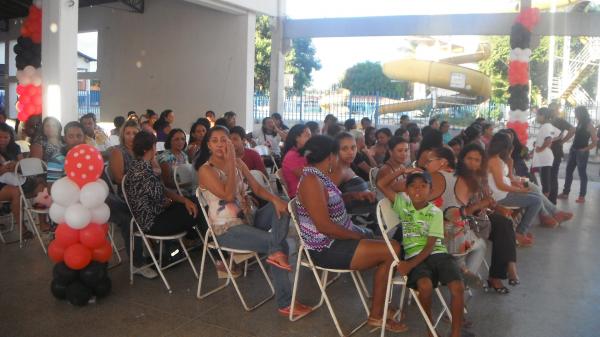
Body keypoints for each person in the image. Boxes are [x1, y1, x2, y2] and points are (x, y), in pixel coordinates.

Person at [197, 126, 311, 317]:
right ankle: (285, 303)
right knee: (279, 246)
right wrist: (231, 161)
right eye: (215, 140)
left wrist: (275, 200)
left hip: (249, 219)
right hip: (226, 230)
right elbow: (228, 194)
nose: (220, 144)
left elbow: (257, 189)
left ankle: (275, 252)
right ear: (208, 145)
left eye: (224, 139)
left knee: (282, 205)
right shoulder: (206, 170)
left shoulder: (239, 163)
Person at [296, 135, 407, 333]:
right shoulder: (312, 181)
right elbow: (324, 226)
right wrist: (357, 236)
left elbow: (327, 205)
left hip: (337, 238)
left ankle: (378, 301)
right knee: (392, 250)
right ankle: (376, 314)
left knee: (390, 245)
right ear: (331, 156)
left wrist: (352, 195)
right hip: (325, 248)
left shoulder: (319, 176)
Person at [378, 170, 465, 337]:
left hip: (437, 254)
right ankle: (430, 328)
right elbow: (381, 184)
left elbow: (431, 246)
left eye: (423, 186)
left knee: (458, 287)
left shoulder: (435, 213)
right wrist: (403, 171)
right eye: (413, 186)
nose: (417, 190)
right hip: (413, 255)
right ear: (406, 190)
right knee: (424, 286)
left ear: (431, 190)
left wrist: (410, 265)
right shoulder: (403, 205)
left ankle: (456, 333)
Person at [124, 131, 201, 261]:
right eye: (154, 145)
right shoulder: (142, 170)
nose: (156, 149)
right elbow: (161, 199)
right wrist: (178, 201)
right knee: (197, 209)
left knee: (193, 203)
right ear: (147, 148)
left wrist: (183, 200)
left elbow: (162, 191)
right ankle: (210, 244)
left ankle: (200, 240)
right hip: (153, 223)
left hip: (156, 215)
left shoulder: (141, 165)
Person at [455, 143, 519, 293]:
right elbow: (458, 211)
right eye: (469, 158)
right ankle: (502, 273)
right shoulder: (457, 179)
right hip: (464, 221)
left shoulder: (480, 177)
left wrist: (496, 207)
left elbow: (488, 200)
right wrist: (482, 206)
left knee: (505, 223)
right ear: (461, 159)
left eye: (477, 160)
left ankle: (507, 268)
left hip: (480, 217)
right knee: (502, 226)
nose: (472, 163)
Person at [424, 147, 487, 287]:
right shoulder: (462, 179)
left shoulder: (433, 177)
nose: (425, 164)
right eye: (469, 159)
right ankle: (462, 276)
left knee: (464, 236)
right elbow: (459, 213)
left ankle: (461, 273)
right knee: (477, 243)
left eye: (429, 161)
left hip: (439, 238)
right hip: (447, 238)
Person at [487, 133, 542, 246]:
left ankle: (520, 231)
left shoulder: (496, 158)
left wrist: (516, 184)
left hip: (503, 193)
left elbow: (504, 178)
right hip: (500, 196)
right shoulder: (494, 160)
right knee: (537, 201)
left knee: (537, 197)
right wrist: (519, 190)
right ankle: (520, 233)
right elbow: (500, 185)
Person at [558, 106, 598, 203]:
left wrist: (585, 149)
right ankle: (565, 193)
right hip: (574, 150)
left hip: (581, 153)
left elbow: (594, 142)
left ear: (581, 113)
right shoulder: (579, 123)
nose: (575, 114)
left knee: (582, 174)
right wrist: (562, 142)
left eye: (576, 113)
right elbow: (572, 133)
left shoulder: (589, 125)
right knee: (568, 171)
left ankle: (582, 196)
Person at [548, 102, 575, 204]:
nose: (552, 111)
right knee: (549, 176)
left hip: (555, 151)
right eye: (550, 109)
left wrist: (562, 141)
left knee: (552, 176)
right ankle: (549, 198)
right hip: (549, 151)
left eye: (553, 109)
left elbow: (572, 129)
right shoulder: (549, 120)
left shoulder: (559, 120)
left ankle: (552, 200)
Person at [0, 123, 25, 234]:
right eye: (0, 137)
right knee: (16, 192)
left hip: (16, 180)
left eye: (6, 137)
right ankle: (22, 228)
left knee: (37, 186)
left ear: (11, 137)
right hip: (5, 185)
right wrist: (3, 170)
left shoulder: (15, 147)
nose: (3, 140)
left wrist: (16, 166)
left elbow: (23, 167)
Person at [532, 108, 560, 196]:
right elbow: (558, 135)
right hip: (545, 158)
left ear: (542, 116)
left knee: (545, 184)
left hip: (544, 159)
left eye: (537, 115)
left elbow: (548, 139)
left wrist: (541, 148)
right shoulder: (549, 126)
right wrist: (539, 143)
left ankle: (545, 205)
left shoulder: (546, 126)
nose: (536, 117)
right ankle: (545, 203)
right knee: (545, 182)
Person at [281, 124, 311, 198]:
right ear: (297, 138)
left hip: (307, 191)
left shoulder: (301, 153)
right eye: (307, 136)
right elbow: (307, 178)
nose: (311, 139)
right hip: (299, 197)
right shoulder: (292, 156)